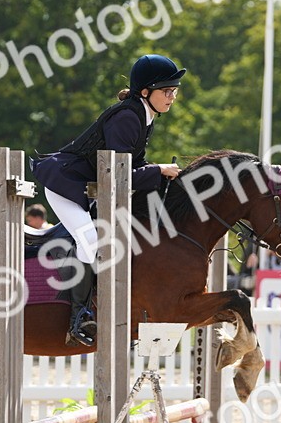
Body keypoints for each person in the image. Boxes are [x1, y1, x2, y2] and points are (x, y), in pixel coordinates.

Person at [31, 53, 185, 346]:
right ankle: (78, 318)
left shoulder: (144, 116)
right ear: (145, 91)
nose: (172, 97)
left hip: (87, 186)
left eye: (174, 91)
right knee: (90, 240)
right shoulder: (128, 116)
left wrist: (159, 173)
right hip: (64, 185)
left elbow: (131, 166)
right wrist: (159, 170)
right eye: (167, 91)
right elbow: (119, 173)